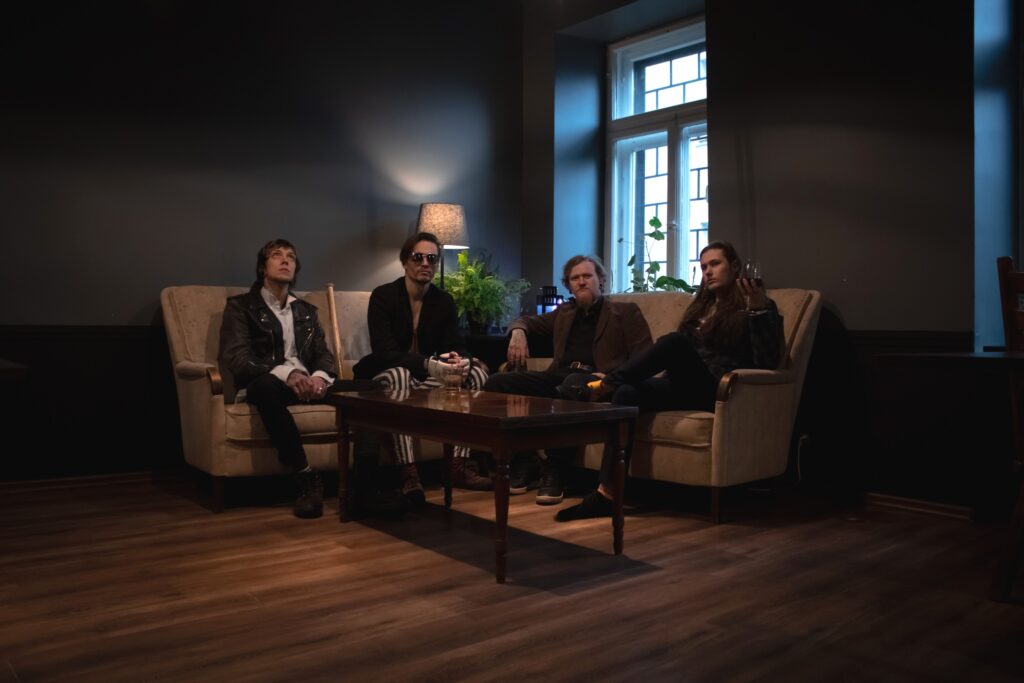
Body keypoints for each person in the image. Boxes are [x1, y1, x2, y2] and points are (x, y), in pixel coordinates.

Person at [555, 240, 785, 521]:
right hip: (682, 384)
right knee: (627, 393)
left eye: (715, 264)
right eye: (703, 266)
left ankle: (606, 384)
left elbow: (768, 361)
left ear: (735, 266)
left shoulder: (757, 306)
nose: (708, 271)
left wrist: (759, 311)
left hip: (717, 389)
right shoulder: (700, 306)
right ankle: (607, 494)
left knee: (674, 342)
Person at [483, 255, 653, 505]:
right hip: (560, 376)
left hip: (599, 382)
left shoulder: (625, 312)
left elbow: (645, 356)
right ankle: (525, 460)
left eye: (587, 276)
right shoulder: (564, 312)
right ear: (568, 285)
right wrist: (518, 332)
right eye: (575, 278)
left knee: (573, 383)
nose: (582, 282)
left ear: (601, 280)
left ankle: (555, 470)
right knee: (497, 383)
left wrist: (613, 377)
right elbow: (523, 320)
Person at [353, 232, 493, 507]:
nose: (425, 263)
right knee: (399, 374)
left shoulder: (444, 301)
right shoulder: (383, 296)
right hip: (386, 379)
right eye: (418, 257)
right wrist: (429, 363)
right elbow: (384, 352)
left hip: (426, 382)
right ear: (405, 261)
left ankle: (458, 465)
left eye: (432, 258)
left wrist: (462, 360)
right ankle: (408, 473)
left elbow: (458, 345)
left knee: (476, 371)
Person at [219, 238, 336, 519]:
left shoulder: (306, 311)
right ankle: (305, 478)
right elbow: (237, 359)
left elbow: (323, 355)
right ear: (263, 267)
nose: (285, 260)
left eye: (291, 257)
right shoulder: (241, 307)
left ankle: (368, 482)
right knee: (265, 388)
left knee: (368, 390)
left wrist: (319, 378)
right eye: (276, 255)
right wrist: (288, 373)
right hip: (269, 385)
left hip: (309, 385)